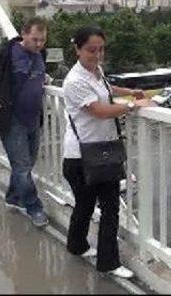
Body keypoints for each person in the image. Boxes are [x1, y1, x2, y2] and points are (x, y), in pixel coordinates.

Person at [62, 26, 154, 279]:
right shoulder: (75, 80)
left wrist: (128, 93)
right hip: (88, 157)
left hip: (85, 155)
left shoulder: (94, 72)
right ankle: (108, 262)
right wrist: (134, 105)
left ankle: (77, 245)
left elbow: (106, 88)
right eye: (92, 49)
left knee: (85, 205)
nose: (97, 54)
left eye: (101, 49)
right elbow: (100, 111)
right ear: (77, 49)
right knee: (110, 208)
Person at [0, 17, 50, 227]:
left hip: (33, 118)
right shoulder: (6, 52)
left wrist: (44, 79)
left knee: (26, 164)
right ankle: (34, 208)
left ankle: (13, 197)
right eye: (35, 39)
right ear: (23, 33)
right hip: (11, 119)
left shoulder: (40, 54)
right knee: (22, 167)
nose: (39, 45)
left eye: (42, 41)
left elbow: (36, 74)